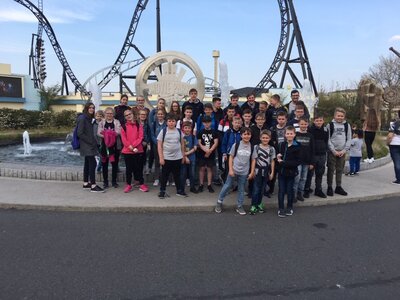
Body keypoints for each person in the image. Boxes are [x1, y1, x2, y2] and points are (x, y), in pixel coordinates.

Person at [215, 127, 256, 215]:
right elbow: (231, 157)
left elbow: (253, 160)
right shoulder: (236, 145)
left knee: (241, 189)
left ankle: (239, 206)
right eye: (244, 134)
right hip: (234, 170)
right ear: (241, 135)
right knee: (227, 186)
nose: (246, 136)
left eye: (248, 134)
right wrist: (230, 169)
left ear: (251, 135)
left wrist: (252, 172)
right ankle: (219, 202)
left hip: (244, 172)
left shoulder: (252, 147)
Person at [157, 113, 187, 198]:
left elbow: (182, 144)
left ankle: (179, 190)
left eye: (173, 121)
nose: (171, 123)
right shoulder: (163, 131)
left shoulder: (179, 131)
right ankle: (162, 191)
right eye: (169, 121)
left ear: (175, 122)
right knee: (164, 176)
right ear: (166, 122)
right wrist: (161, 157)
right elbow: (159, 145)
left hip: (177, 157)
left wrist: (183, 156)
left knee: (177, 176)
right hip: (166, 158)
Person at [77, 102, 104, 192]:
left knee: (87, 163)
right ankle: (93, 185)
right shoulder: (82, 118)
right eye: (90, 108)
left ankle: (86, 183)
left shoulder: (88, 118)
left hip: (88, 144)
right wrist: (91, 141)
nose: (92, 109)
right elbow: (79, 133)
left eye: (93, 108)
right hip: (87, 145)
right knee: (93, 163)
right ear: (86, 108)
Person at [120, 109, 148, 193]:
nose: (128, 116)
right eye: (126, 115)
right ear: (125, 117)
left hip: (138, 150)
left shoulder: (139, 125)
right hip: (127, 151)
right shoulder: (123, 127)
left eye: (130, 114)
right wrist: (131, 147)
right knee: (129, 169)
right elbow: (124, 139)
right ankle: (128, 184)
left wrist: (134, 146)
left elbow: (140, 137)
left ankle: (141, 184)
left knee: (139, 168)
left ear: (133, 114)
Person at [326, 107, 352, 196]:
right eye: (338, 116)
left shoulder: (347, 125)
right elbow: (328, 139)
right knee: (331, 169)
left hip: (342, 152)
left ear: (344, 117)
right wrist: (333, 150)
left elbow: (349, 139)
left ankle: (338, 186)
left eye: (341, 116)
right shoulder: (330, 125)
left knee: (340, 170)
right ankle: (329, 186)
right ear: (334, 116)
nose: (340, 117)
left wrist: (344, 150)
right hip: (332, 152)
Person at [276, 126, 300, 217]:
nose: (289, 135)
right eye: (287, 133)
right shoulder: (281, 144)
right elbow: (278, 156)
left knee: (290, 190)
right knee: (281, 190)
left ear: (294, 134)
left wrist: (283, 163)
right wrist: (278, 157)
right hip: (282, 172)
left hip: (291, 173)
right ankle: (281, 208)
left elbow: (297, 162)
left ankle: (289, 207)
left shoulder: (297, 146)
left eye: (291, 133)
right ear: (285, 135)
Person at [250, 129, 275, 215]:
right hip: (258, 171)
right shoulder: (256, 147)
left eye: (267, 138)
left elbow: (272, 161)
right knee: (256, 189)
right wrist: (252, 171)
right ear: (260, 138)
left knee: (262, 189)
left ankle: (259, 203)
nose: (265, 139)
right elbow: (254, 160)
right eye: (263, 137)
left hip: (266, 171)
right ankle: (253, 205)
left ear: (270, 138)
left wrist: (272, 172)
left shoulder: (271, 149)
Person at [304, 114, 328, 198]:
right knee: (309, 173)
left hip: (322, 155)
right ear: (314, 121)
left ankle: (318, 189)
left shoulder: (325, 130)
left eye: (320, 120)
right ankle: (306, 189)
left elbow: (326, 141)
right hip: (313, 155)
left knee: (320, 173)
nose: (319, 122)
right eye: (317, 121)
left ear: (323, 121)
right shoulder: (310, 130)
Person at [97, 107, 121, 189]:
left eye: (111, 113)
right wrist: (108, 135)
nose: (109, 115)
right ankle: (105, 182)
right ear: (105, 114)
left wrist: (109, 134)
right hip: (104, 146)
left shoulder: (117, 122)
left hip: (114, 146)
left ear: (113, 114)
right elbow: (99, 132)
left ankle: (114, 181)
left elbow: (118, 132)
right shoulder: (101, 122)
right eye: (107, 113)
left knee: (114, 164)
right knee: (104, 164)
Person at [293, 117, 314, 202]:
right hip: (297, 161)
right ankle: (293, 195)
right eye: (302, 124)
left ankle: (300, 193)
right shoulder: (296, 135)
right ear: (298, 124)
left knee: (303, 178)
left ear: (307, 125)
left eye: (305, 124)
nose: (303, 125)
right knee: (296, 178)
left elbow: (313, 149)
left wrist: (312, 162)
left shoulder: (310, 136)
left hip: (307, 161)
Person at [197, 115, 219, 193]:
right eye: (205, 122)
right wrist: (205, 150)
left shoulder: (214, 131)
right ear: (203, 123)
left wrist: (210, 150)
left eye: (208, 122)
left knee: (210, 168)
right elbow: (199, 143)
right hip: (202, 153)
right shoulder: (200, 132)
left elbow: (216, 142)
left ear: (211, 122)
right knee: (202, 168)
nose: (207, 124)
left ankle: (209, 185)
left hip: (211, 152)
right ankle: (201, 184)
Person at [221, 115, 243, 182]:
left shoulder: (242, 132)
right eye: (235, 123)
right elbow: (224, 143)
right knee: (228, 169)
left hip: (239, 155)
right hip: (229, 154)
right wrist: (224, 153)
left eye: (238, 123)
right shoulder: (228, 132)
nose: (237, 124)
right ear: (232, 123)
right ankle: (226, 183)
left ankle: (236, 185)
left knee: (237, 170)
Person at [147, 98, 166, 174]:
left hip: (164, 142)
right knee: (154, 156)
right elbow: (151, 126)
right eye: (160, 103)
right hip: (155, 139)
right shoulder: (152, 112)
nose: (161, 104)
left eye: (163, 103)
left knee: (164, 158)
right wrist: (156, 141)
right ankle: (151, 169)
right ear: (157, 103)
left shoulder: (166, 114)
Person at [180, 121, 198, 194]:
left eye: (189, 128)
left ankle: (192, 187)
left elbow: (195, 147)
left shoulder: (193, 137)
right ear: (183, 129)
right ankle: (181, 188)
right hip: (183, 158)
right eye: (186, 128)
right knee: (183, 174)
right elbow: (180, 148)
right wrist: (185, 156)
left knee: (192, 174)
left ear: (191, 129)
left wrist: (187, 153)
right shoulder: (181, 137)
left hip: (192, 158)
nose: (187, 129)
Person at [150, 109, 167, 186]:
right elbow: (152, 135)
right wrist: (157, 143)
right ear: (156, 115)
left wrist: (163, 143)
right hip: (156, 145)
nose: (160, 115)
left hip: (165, 145)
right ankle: (156, 179)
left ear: (164, 115)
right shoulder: (154, 124)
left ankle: (165, 179)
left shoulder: (167, 124)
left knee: (165, 163)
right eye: (159, 114)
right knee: (157, 162)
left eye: (162, 114)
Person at [387, 111, 400, 184]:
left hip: (395, 145)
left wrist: (387, 143)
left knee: (397, 163)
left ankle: (399, 180)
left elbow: (390, 135)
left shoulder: (394, 124)